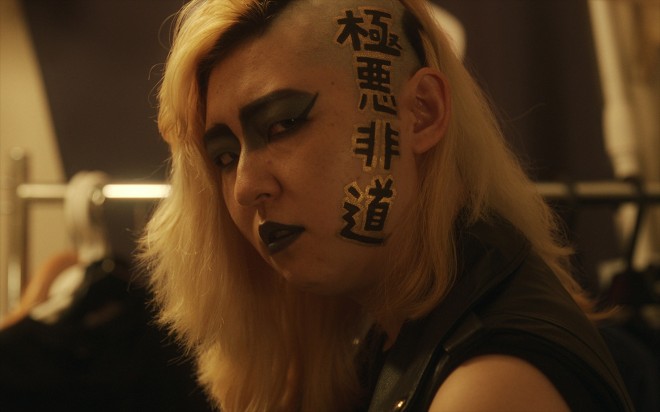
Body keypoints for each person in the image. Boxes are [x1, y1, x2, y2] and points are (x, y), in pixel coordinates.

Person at [139, 0, 633, 410]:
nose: (245, 187)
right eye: (224, 157)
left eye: (283, 125)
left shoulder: (488, 387)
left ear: (421, 112)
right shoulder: (390, 332)